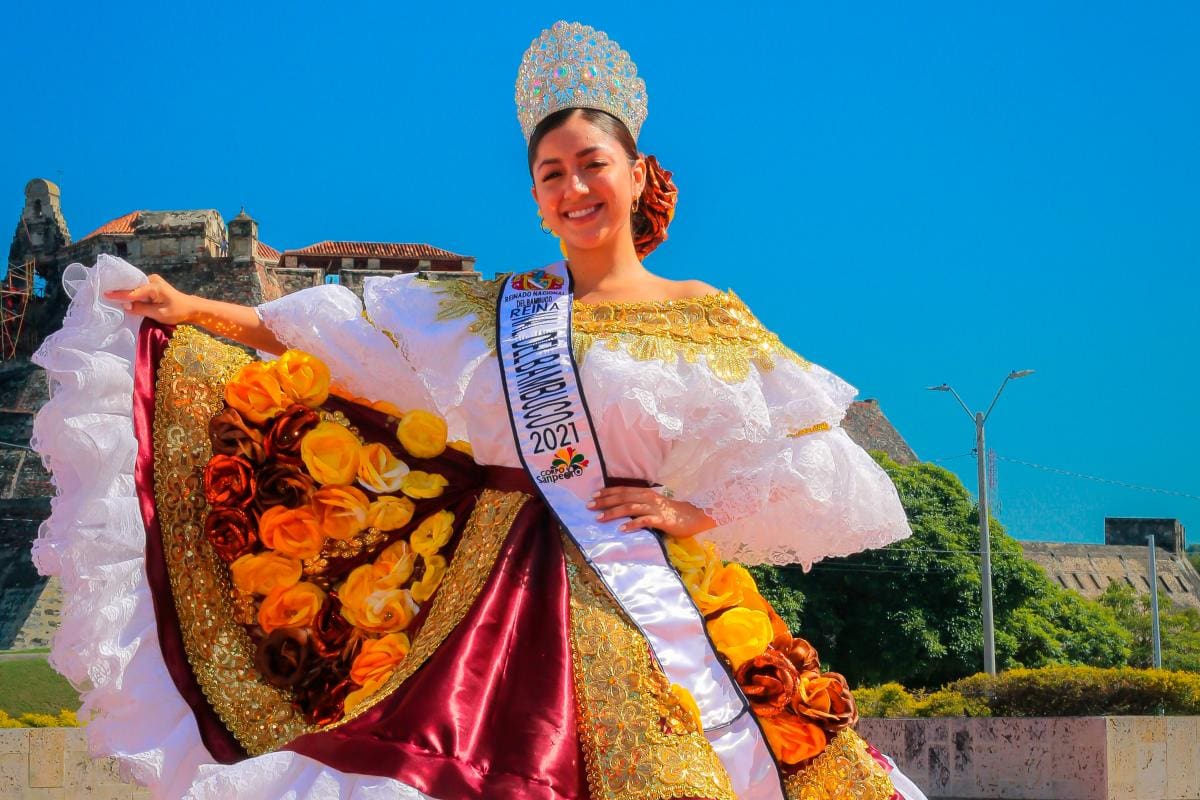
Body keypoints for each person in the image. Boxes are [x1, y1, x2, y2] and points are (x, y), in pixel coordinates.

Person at [32, 20, 926, 800]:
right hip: (491, 602)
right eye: (552, 174)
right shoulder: (495, 310)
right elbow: (338, 340)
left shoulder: (705, 312)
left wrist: (689, 512)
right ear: (536, 198)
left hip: (644, 595)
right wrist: (189, 310)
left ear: (637, 173)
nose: (574, 188)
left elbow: (806, 452)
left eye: (591, 166)